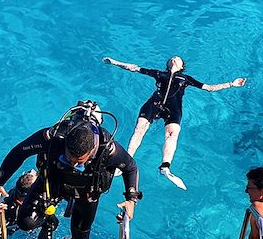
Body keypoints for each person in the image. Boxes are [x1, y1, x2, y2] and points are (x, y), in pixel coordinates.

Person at [0, 101, 140, 239]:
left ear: (91, 152)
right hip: (53, 182)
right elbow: (19, 152)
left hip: (87, 193)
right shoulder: (53, 138)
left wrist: (131, 199)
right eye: (69, 160)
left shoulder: (107, 148)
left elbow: (130, 167)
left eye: (79, 163)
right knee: (26, 222)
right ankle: (49, 223)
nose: (73, 166)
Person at [102, 55, 246, 189]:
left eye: (178, 58)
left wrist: (231, 84)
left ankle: (165, 167)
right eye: (173, 58)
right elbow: (134, 68)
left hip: (173, 109)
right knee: (139, 129)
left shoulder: (186, 79)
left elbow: (209, 88)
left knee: (173, 133)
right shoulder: (159, 74)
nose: (175, 58)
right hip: (154, 104)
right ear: (168, 64)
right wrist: (115, 62)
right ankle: (126, 160)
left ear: (182, 66)